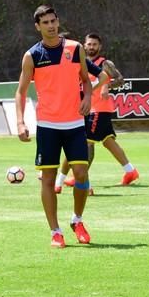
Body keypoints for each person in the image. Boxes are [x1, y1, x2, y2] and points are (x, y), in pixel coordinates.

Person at [15, 5, 92, 248]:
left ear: (58, 21)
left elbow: (86, 82)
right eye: (45, 22)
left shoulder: (75, 48)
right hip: (48, 125)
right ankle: (55, 231)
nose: (50, 26)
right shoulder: (32, 56)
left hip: (74, 123)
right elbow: (21, 91)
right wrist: (20, 122)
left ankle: (77, 220)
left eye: (53, 21)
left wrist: (88, 98)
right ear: (37, 27)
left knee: (81, 173)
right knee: (47, 179)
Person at [55, 32, 137, 194]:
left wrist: (107, 85)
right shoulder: (80, 63)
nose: (91, 47)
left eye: (95, 44)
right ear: (84, 45)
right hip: (85, 109)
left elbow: (120, 80)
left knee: (84, 143)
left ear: (100, 47)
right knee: (107, 142)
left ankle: (78, 180)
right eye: (89, 44)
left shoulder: (104, 63)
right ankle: (130, 171)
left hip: (98, 109)